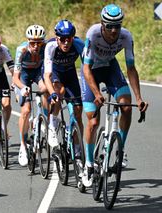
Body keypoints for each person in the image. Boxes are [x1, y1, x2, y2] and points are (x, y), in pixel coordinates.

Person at [80, 4, 148, 187]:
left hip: (110, 68)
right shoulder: (93, 34)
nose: (113, 30)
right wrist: (96, 93)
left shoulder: (126, 36)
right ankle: (88, 165)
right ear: (102, 24)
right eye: (109, 26)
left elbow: (131, 68)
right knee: (93, 121)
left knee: (126, 106)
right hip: (91, 71)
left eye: (117, 25)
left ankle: (120, 149)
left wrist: (139, 98)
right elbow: (85, 67)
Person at [44, 20, 84, 156]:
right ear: (57, 38)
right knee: (59, 92)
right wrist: (51, 93)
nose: (66, 42)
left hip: (70, 73)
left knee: (78, 112)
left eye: (69, 39)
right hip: (55, 72)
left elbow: (88, 69)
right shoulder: (50, 46)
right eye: (62, 39)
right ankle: (52, 125)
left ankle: (78, 147)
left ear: (73, 38)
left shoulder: (79, 45)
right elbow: (47, 74)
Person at [13, 25, 48, 166]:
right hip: (24, 76)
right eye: (32, 42)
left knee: (46, 89)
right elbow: (15, 78)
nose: (35, 45)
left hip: (38, 72)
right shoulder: (21, 50)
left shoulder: (46, 48)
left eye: (38, 42)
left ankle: (43, 118)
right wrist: (22, 88)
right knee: (26, 110)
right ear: (28, 41)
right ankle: (22, 145)